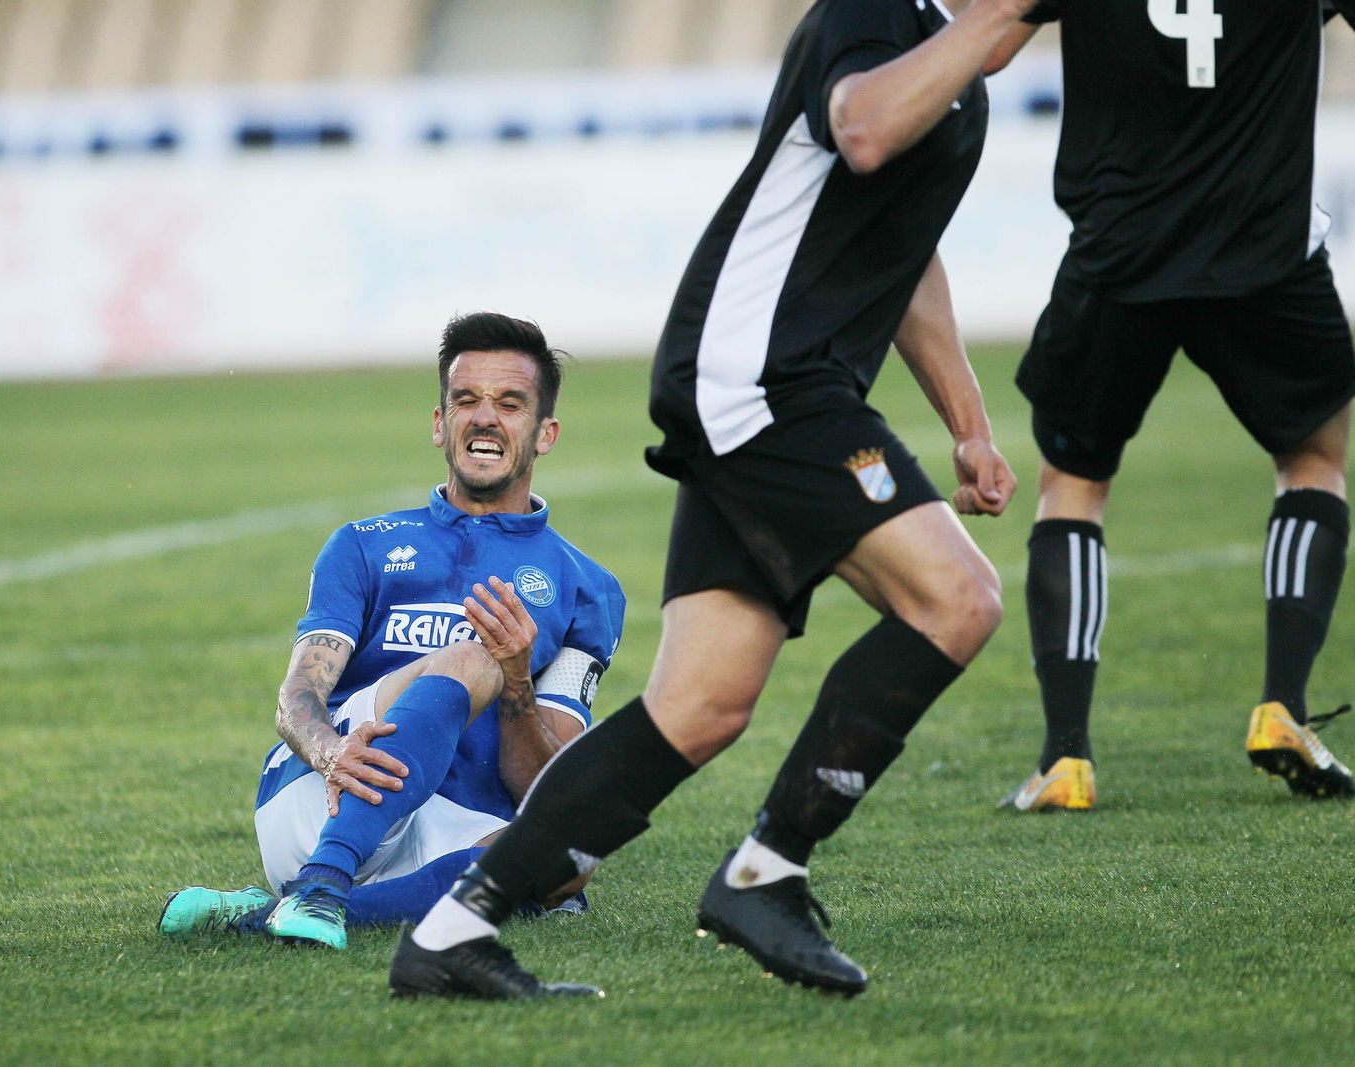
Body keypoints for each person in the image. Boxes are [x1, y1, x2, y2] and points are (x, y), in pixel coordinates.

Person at [388, 0, 1032, 1000]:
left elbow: (906, 255)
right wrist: (1002, 22)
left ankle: (449, 930)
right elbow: (860, 129)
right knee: (957, 598)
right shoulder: (878, 17)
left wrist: (969, 419)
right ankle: (765, 870)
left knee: (699, 706)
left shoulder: (956, 63)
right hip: (762, 380)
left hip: (766, 387)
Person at [157, 312, 625, 948]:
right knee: (473, 655)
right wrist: (329, 752)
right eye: (465, 400)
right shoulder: (362, 545)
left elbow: (546, 787)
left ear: (546, 433)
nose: (484, 418)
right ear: (440, 424)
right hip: (328, 793)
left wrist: (517, 682)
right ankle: (323, 878)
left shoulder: (589, 589)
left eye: (510, 404)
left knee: (568, 854)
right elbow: (298, 695)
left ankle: (283, 912)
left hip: (448, 826)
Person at [990, 0, 1355, 812]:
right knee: (1313, 460)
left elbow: (988, 40)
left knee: (1072, 482)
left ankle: (1065, 758)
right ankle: (1284, 707)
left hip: (1120, 250)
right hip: (1264, 248)